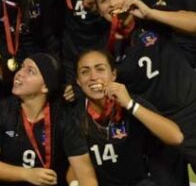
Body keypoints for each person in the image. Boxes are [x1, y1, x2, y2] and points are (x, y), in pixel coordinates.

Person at [94, 0, 196, 186]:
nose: (111, 3)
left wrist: (150, 13)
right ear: (99, 10)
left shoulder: (152, 17)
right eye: (103, 0)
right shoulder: (104, 48)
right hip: (158, 129)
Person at [0, 53, 97, 186]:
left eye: (30, 71)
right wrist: (26, 174)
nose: (19, 73)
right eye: (22, 67)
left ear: (45, 87)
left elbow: (85, 172)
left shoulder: (64, 117)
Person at [73, 48, 183, 186]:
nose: (93, 77)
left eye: (100, 69)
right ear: (78, 81)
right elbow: (75, 166)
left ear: (113, 74)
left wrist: (130, 105)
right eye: (85, 72)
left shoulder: (132, 103)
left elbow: (176, 137)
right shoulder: (75, 116)